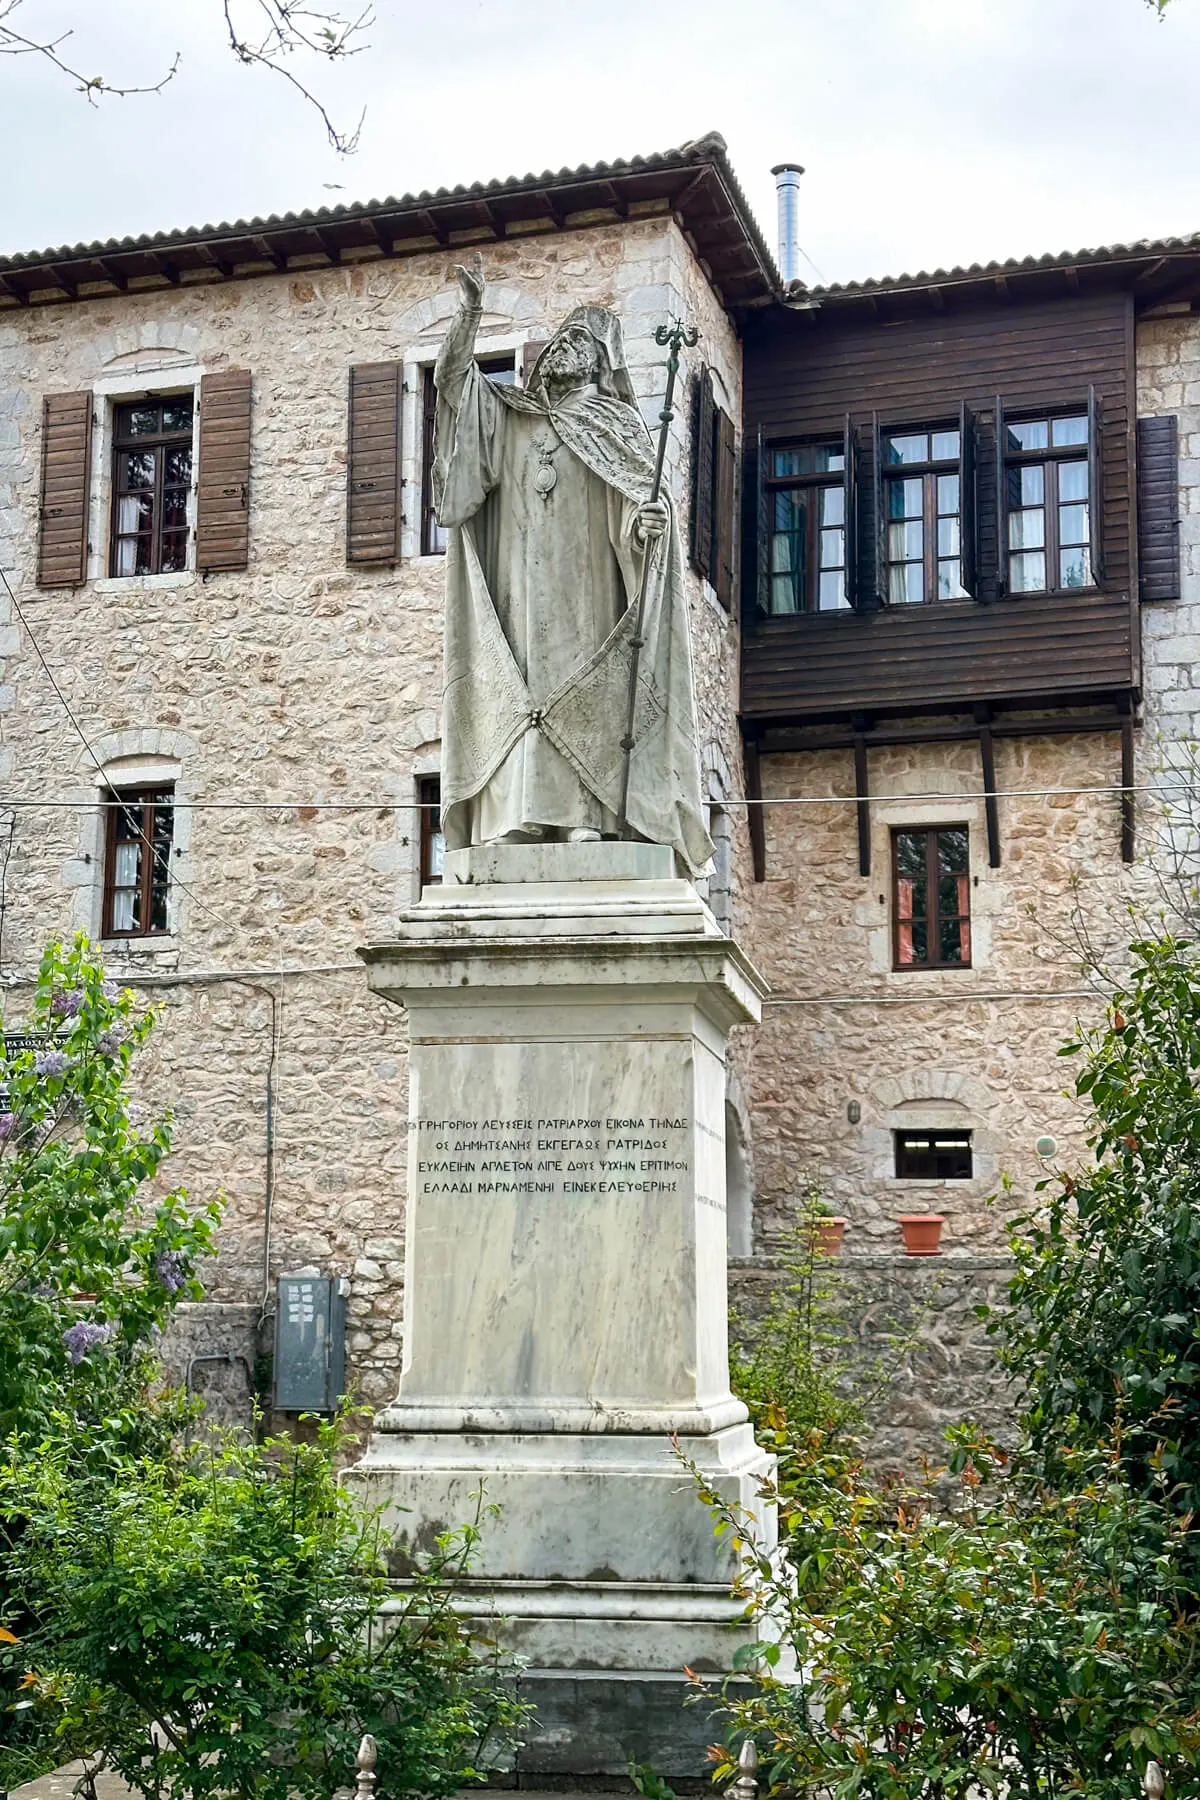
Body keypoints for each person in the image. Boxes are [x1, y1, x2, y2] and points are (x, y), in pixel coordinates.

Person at [432, 253, 713, 872]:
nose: (564, 348)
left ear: (601, 361)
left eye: (580, 340)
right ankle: (516, 818)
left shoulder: (618, 426)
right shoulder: (509, 417)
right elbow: (453, 386)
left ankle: (586, 817)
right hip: (515, 589)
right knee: (515, 686)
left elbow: (641, 514)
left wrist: (648, 527)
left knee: (583, 689)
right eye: (561, 339)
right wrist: (470, 313)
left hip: (590, 593)